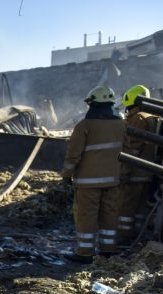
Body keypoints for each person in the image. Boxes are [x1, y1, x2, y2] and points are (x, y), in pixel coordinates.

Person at [62, 85, 126, 263]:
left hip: (87, 183)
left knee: (86, 216)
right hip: (113, 180)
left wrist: (66, 174)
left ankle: (85, 252)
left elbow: (73, 154)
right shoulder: (122, 125)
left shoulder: (84, 125)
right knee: (110, 214)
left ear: (92, 104)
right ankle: (108, 250)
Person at [117, 84, 160, 245]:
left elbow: (132, 149)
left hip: (134, 172)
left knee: (126, 208)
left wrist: (124, 173)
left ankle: (122, 237)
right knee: (139, 208)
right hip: (146, 173)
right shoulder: (152, 117)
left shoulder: (138, 118)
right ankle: (136, 234)